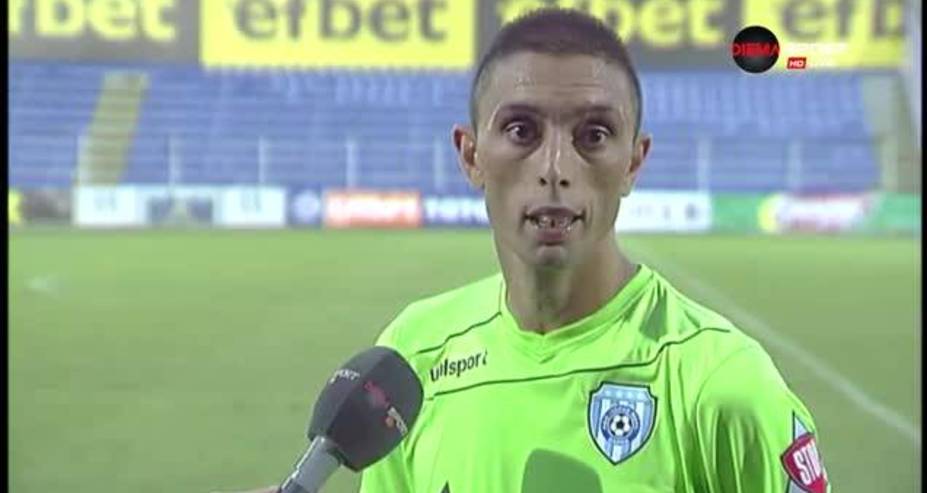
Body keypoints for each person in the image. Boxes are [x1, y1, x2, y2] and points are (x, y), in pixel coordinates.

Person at [228, 8, 830, 493]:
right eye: (522, 130)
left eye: (593, 134)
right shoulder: (411, 357)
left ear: (633, 162)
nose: (555, 167)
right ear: (471, 156)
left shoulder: (721, 383)